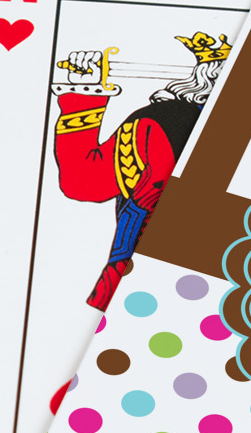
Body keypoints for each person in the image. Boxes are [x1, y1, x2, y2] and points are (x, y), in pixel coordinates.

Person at [51, 32, 231, 314]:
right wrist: (85, 92)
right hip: (152, 290)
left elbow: (82, 181)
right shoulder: (163, 124)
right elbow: (83, 181)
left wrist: (85, 90)